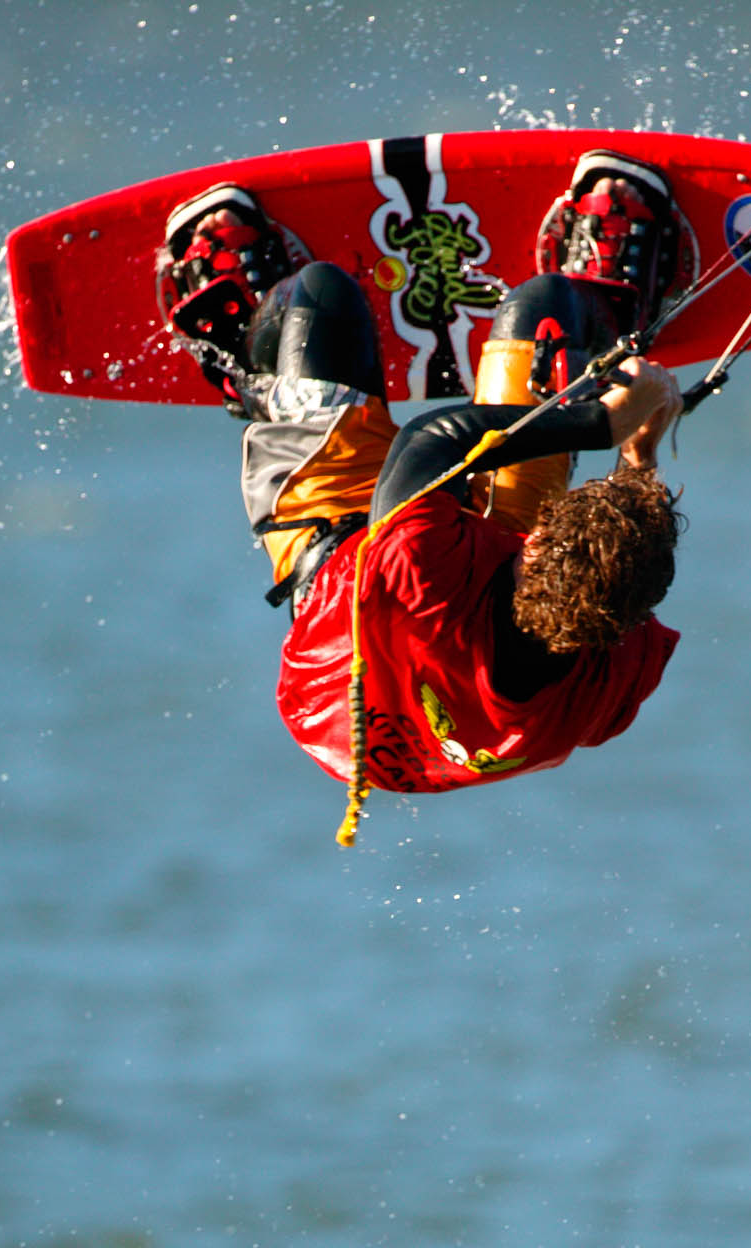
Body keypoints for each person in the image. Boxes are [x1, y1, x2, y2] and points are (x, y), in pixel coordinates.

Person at [155, 152, 687, 841]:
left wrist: (606, 423)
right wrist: (639, 457)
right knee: (544, 308)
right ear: (624, 621)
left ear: (529, 547)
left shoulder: (419, 571)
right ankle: (610, 308)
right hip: (451, 659)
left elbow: (428, 441)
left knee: (318, 297)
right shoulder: (614, 663)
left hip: (344, 597)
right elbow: (622, 561)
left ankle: (244, 360)